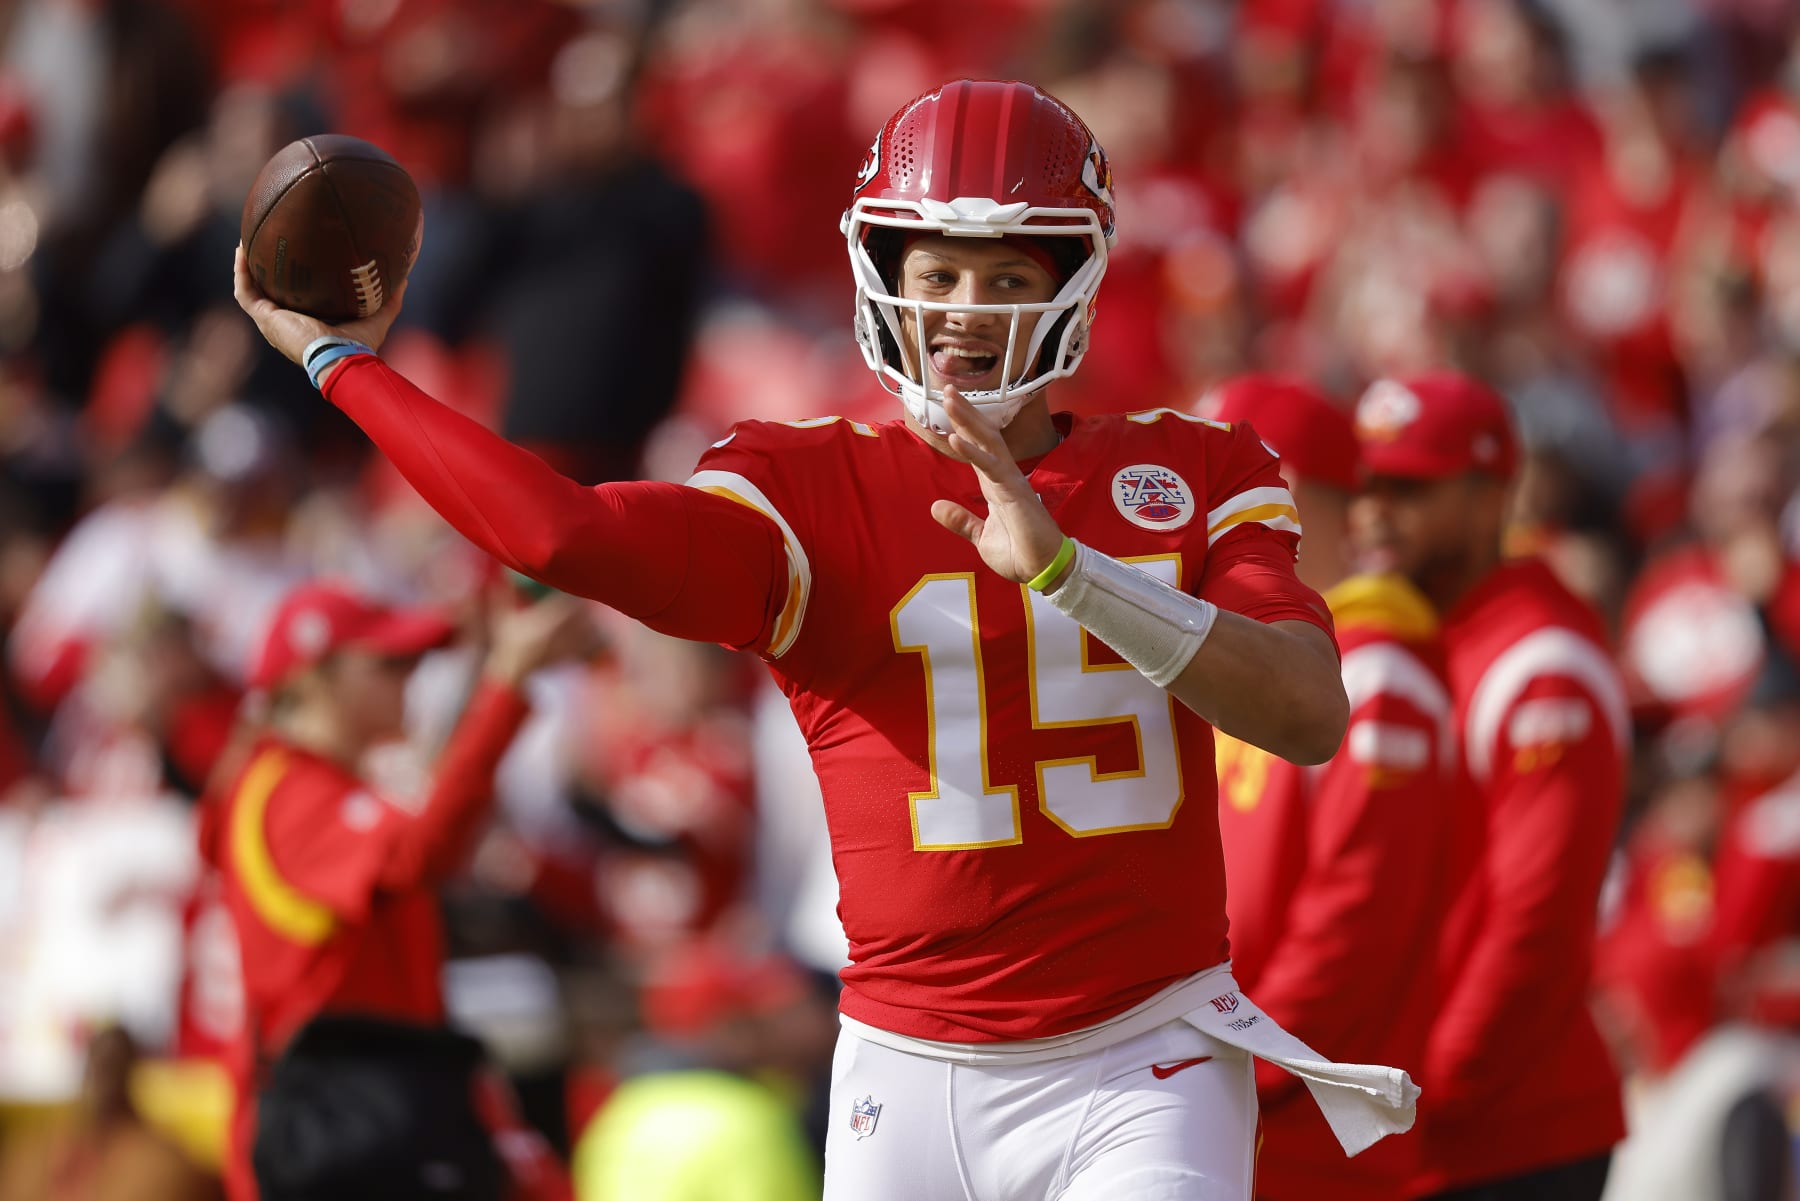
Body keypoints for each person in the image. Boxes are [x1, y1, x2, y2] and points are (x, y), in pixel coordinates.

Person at [234, 78, 1418, 1201]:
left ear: (1072, 279)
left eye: (1004, 273)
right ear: (881, 269)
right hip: (904, 1068)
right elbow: (562, 536)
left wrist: (1071, 571)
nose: (961, 308)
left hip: (1143, 1058)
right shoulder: (805, 488)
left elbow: (1307, 712)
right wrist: (346, 366)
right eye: (938, 268)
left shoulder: (1194, 468)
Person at [200, 579, 593, 1201]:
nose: (409, 677)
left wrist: (493, 673)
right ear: (310, 679)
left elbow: (427, 821)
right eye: (388, 664)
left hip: (386, 1110)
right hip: (330, 1139)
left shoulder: (322, 787)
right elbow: (418, 852)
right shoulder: (285, 792)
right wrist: (506, 683)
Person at [1351, 374, 1629, 1201]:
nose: (1374, 510)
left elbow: (1532, 927)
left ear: (1488, 497)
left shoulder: (1541, 662)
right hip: (1423, 1119)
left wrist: (1422, 1095)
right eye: (1367, 483)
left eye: (1410, 487)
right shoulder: (1416, 630)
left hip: (1511, 1131)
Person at [1204, 376, 1454, 1201]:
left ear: (1288, 495)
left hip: (1316, 1129)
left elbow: (1358, 919)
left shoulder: (1380, 671)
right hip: (1229, 1099)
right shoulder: (1229, 657)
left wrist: (1245, 1063)